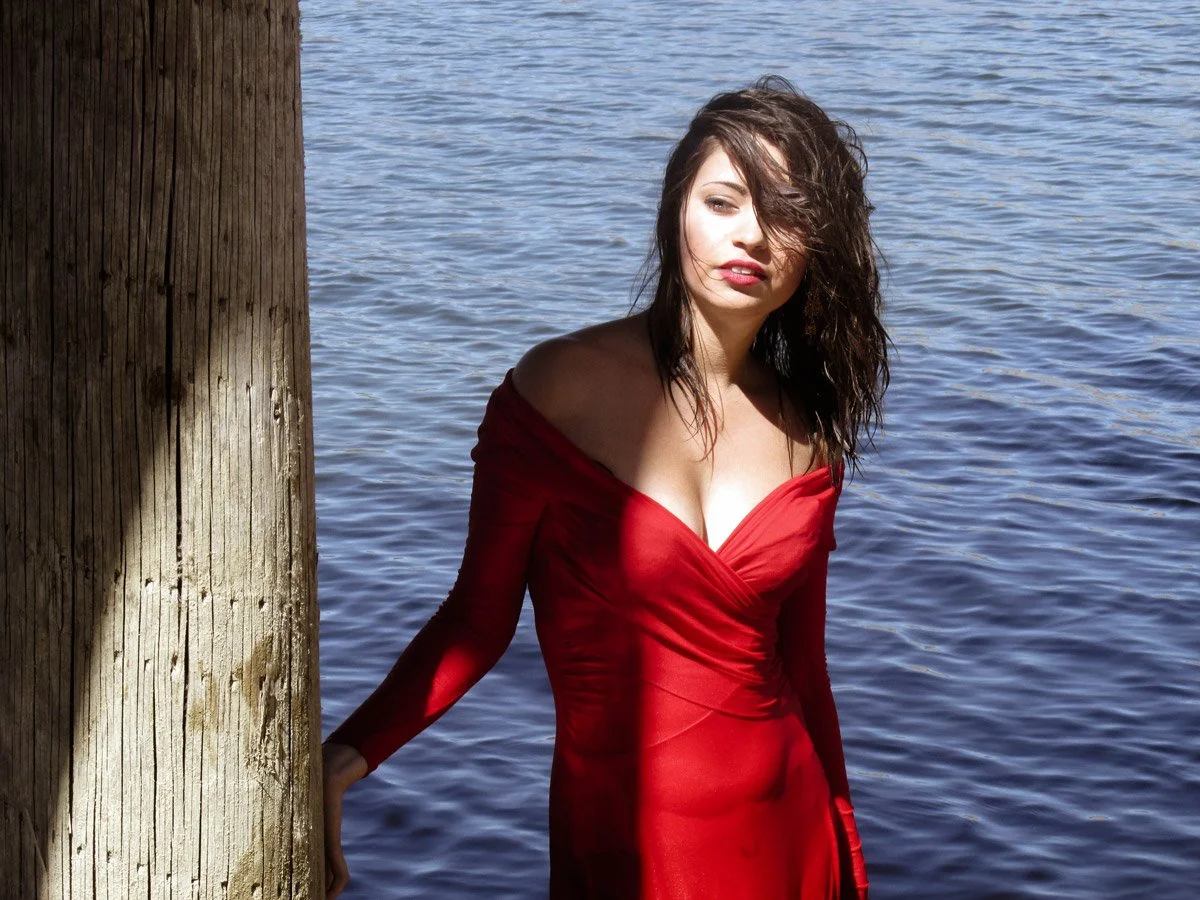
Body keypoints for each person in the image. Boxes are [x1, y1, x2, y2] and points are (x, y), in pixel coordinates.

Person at [321, 74, 888, 900]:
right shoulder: (561, 389)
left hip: (786, 835)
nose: (753, 237)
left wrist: (848, 857)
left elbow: (804, 668)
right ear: (675, 211)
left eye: (786, 214)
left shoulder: (810, 433)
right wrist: (346, 757)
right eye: (725, 202)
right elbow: (477, 622)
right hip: (623, 841)